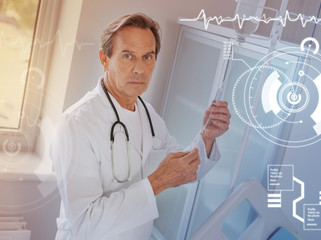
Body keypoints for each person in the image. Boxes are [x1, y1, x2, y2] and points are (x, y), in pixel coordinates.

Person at [50, 13, 231, 240]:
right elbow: (87, 224)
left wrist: (207, 136)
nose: (139, 69)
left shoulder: (148, 114)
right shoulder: (75, 125)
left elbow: (185, 170)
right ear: (104, 59)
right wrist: (156, 183)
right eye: (128, 56)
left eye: (148, 57)